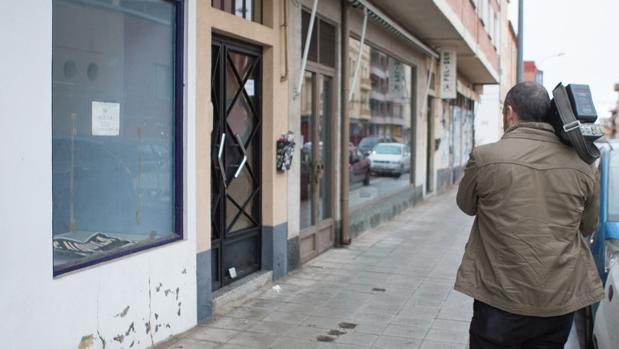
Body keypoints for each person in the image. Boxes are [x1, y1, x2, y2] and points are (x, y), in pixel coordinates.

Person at [455, 81, 604, 349]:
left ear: (510, 113)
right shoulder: (583, 164)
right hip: (557, 303)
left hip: (499, 300)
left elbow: (466, 204)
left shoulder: (486, 157)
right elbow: (588, 225)